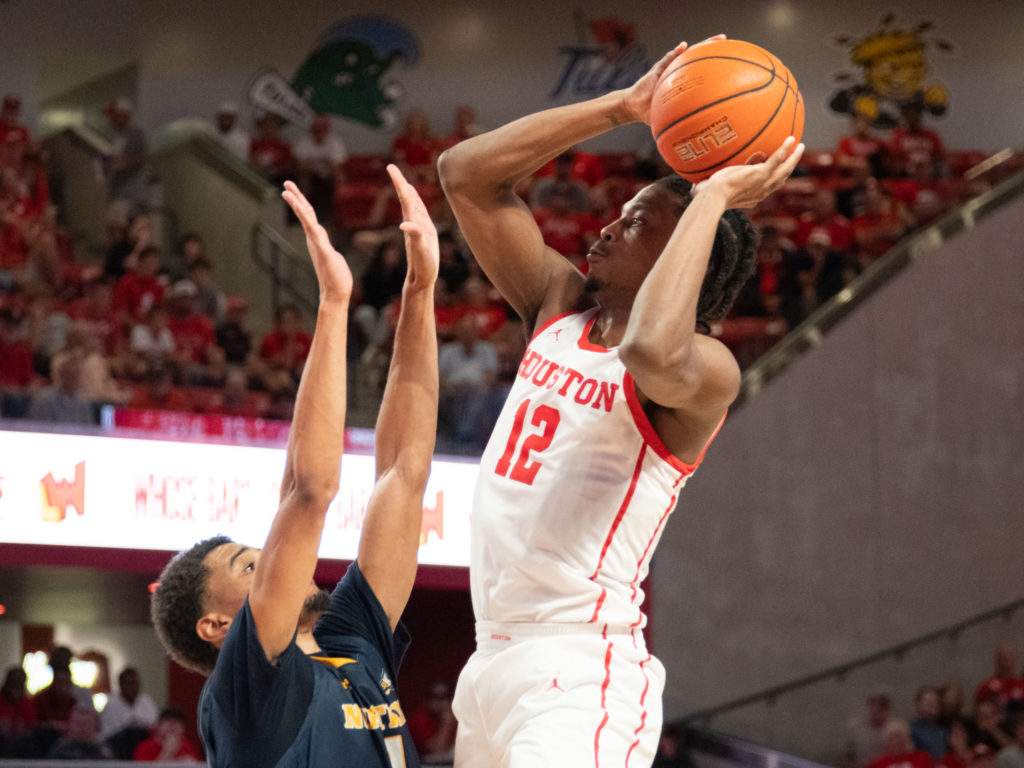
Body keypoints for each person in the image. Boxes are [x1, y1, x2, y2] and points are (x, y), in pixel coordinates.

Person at [437, 35, 803, 767]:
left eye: (636, 222)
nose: (607, 227)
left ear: (681, 252)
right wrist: (621, 108)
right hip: (490, 663)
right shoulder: (560, 307)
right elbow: (464, 175)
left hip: (580, 670)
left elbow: (649, 353)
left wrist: (712, 197)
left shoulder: (709, 368)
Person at [150, 166, 438, 768]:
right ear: (216, 626)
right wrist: (332, 305)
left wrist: (419, 292)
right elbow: (308, 491)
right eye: (250, 565)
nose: (279, 563)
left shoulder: (350, 641)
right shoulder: (245, 695)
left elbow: (404, 471)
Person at [100, 667, 159, 741]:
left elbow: (155, 727)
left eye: (135, 683)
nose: (132, 687)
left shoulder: (147, 702)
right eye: (128, 683)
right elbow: (105, 734)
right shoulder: (111, 706)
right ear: (121, 685)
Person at [132, 709, 201, 762]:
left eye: (179, 721)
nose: (173, 724)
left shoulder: (188, 745)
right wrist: (167, 752)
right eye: (168, 720)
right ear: (158, 725)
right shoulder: (145, 747)